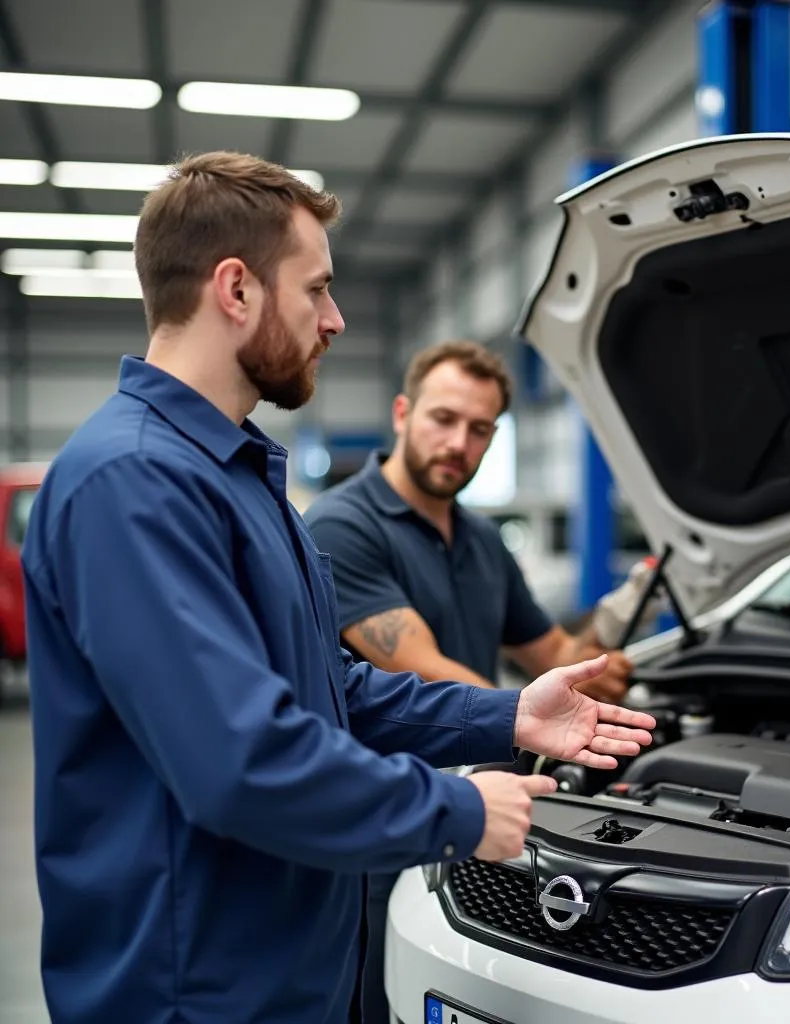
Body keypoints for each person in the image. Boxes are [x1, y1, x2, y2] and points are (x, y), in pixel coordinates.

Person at [19, 151, 656, 1024]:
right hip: (197, 989)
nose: (336, 319)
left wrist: (507, 717)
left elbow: (330, 692)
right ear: (236, 290)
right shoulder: (133, 483)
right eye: (316, 289)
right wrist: (458, 808)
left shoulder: (239, 477)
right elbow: (240, 763)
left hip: (293, 969)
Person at [303, 340, 639, 1023]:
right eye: (443, 418)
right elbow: (416, 665)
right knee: (377, 1003)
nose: (459, 442)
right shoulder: (345, 524)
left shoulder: (483, 540)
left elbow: (549, 649)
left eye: (480, 428)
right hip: (382, 830)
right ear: (403, 413)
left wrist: (600, 655)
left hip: (485, 814)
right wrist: (522, 711)